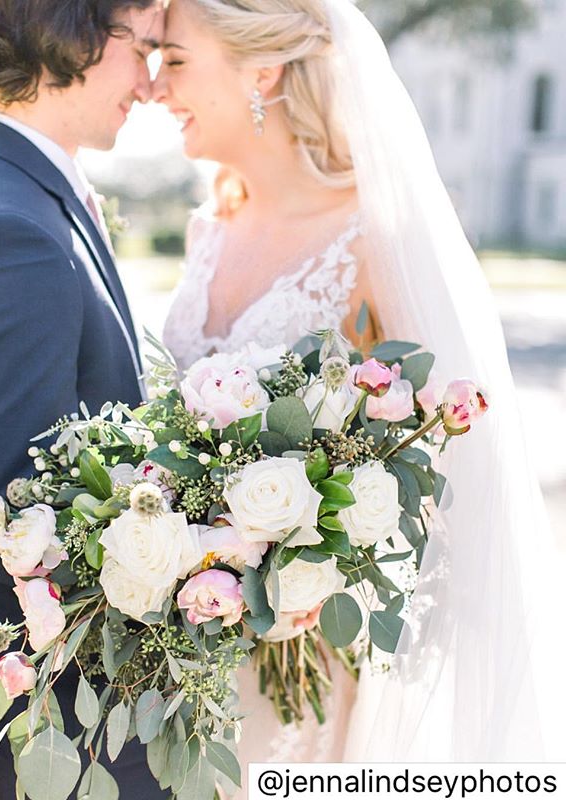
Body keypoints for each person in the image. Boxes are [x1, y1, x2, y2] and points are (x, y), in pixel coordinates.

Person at [153, 0, 563, 786]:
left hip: (305, 656)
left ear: (260, 67)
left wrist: (321, 562)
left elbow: (449, 454)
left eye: (174, 61)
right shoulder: (211, 226)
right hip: (187, 651)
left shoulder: (373, 235)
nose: (155, 89)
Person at [0, 1, 167, 797]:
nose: (149, 76)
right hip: (68, 739)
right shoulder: (10, 230)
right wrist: (231, 544)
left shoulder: (15, 189)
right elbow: (19, 537)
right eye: (141, 43)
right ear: (72, 29)